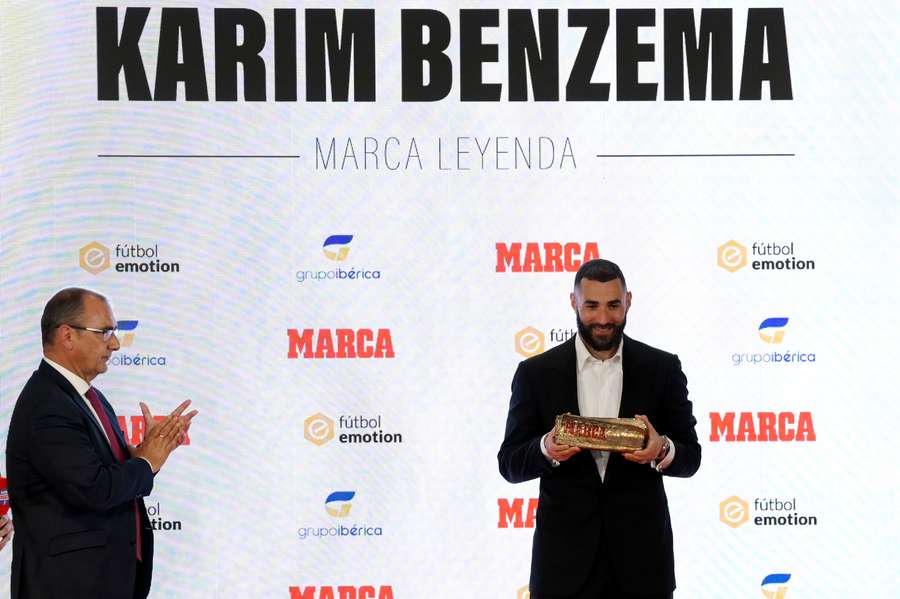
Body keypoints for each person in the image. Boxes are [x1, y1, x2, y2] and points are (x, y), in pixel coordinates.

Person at [498, 259, 701, 599]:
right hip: (562, 569)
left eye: (613, 305)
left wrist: (662, 450)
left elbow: (691, 457)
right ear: (574, 302)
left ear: (629, 301)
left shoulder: (662, 368)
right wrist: (546, 448)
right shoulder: (536, 373)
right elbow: (510, 464)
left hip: (644, 568)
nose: (604, 319)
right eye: (591, 306)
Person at [6, 288, 197, 599]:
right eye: (105, 331)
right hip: (70, 585)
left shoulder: (88, 398)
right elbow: (95, 489)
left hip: (103, 580)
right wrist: (145, 463)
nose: (115, 343)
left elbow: (101, 476)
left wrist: (144, 453)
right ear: (67, 335)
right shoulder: (48, 405)